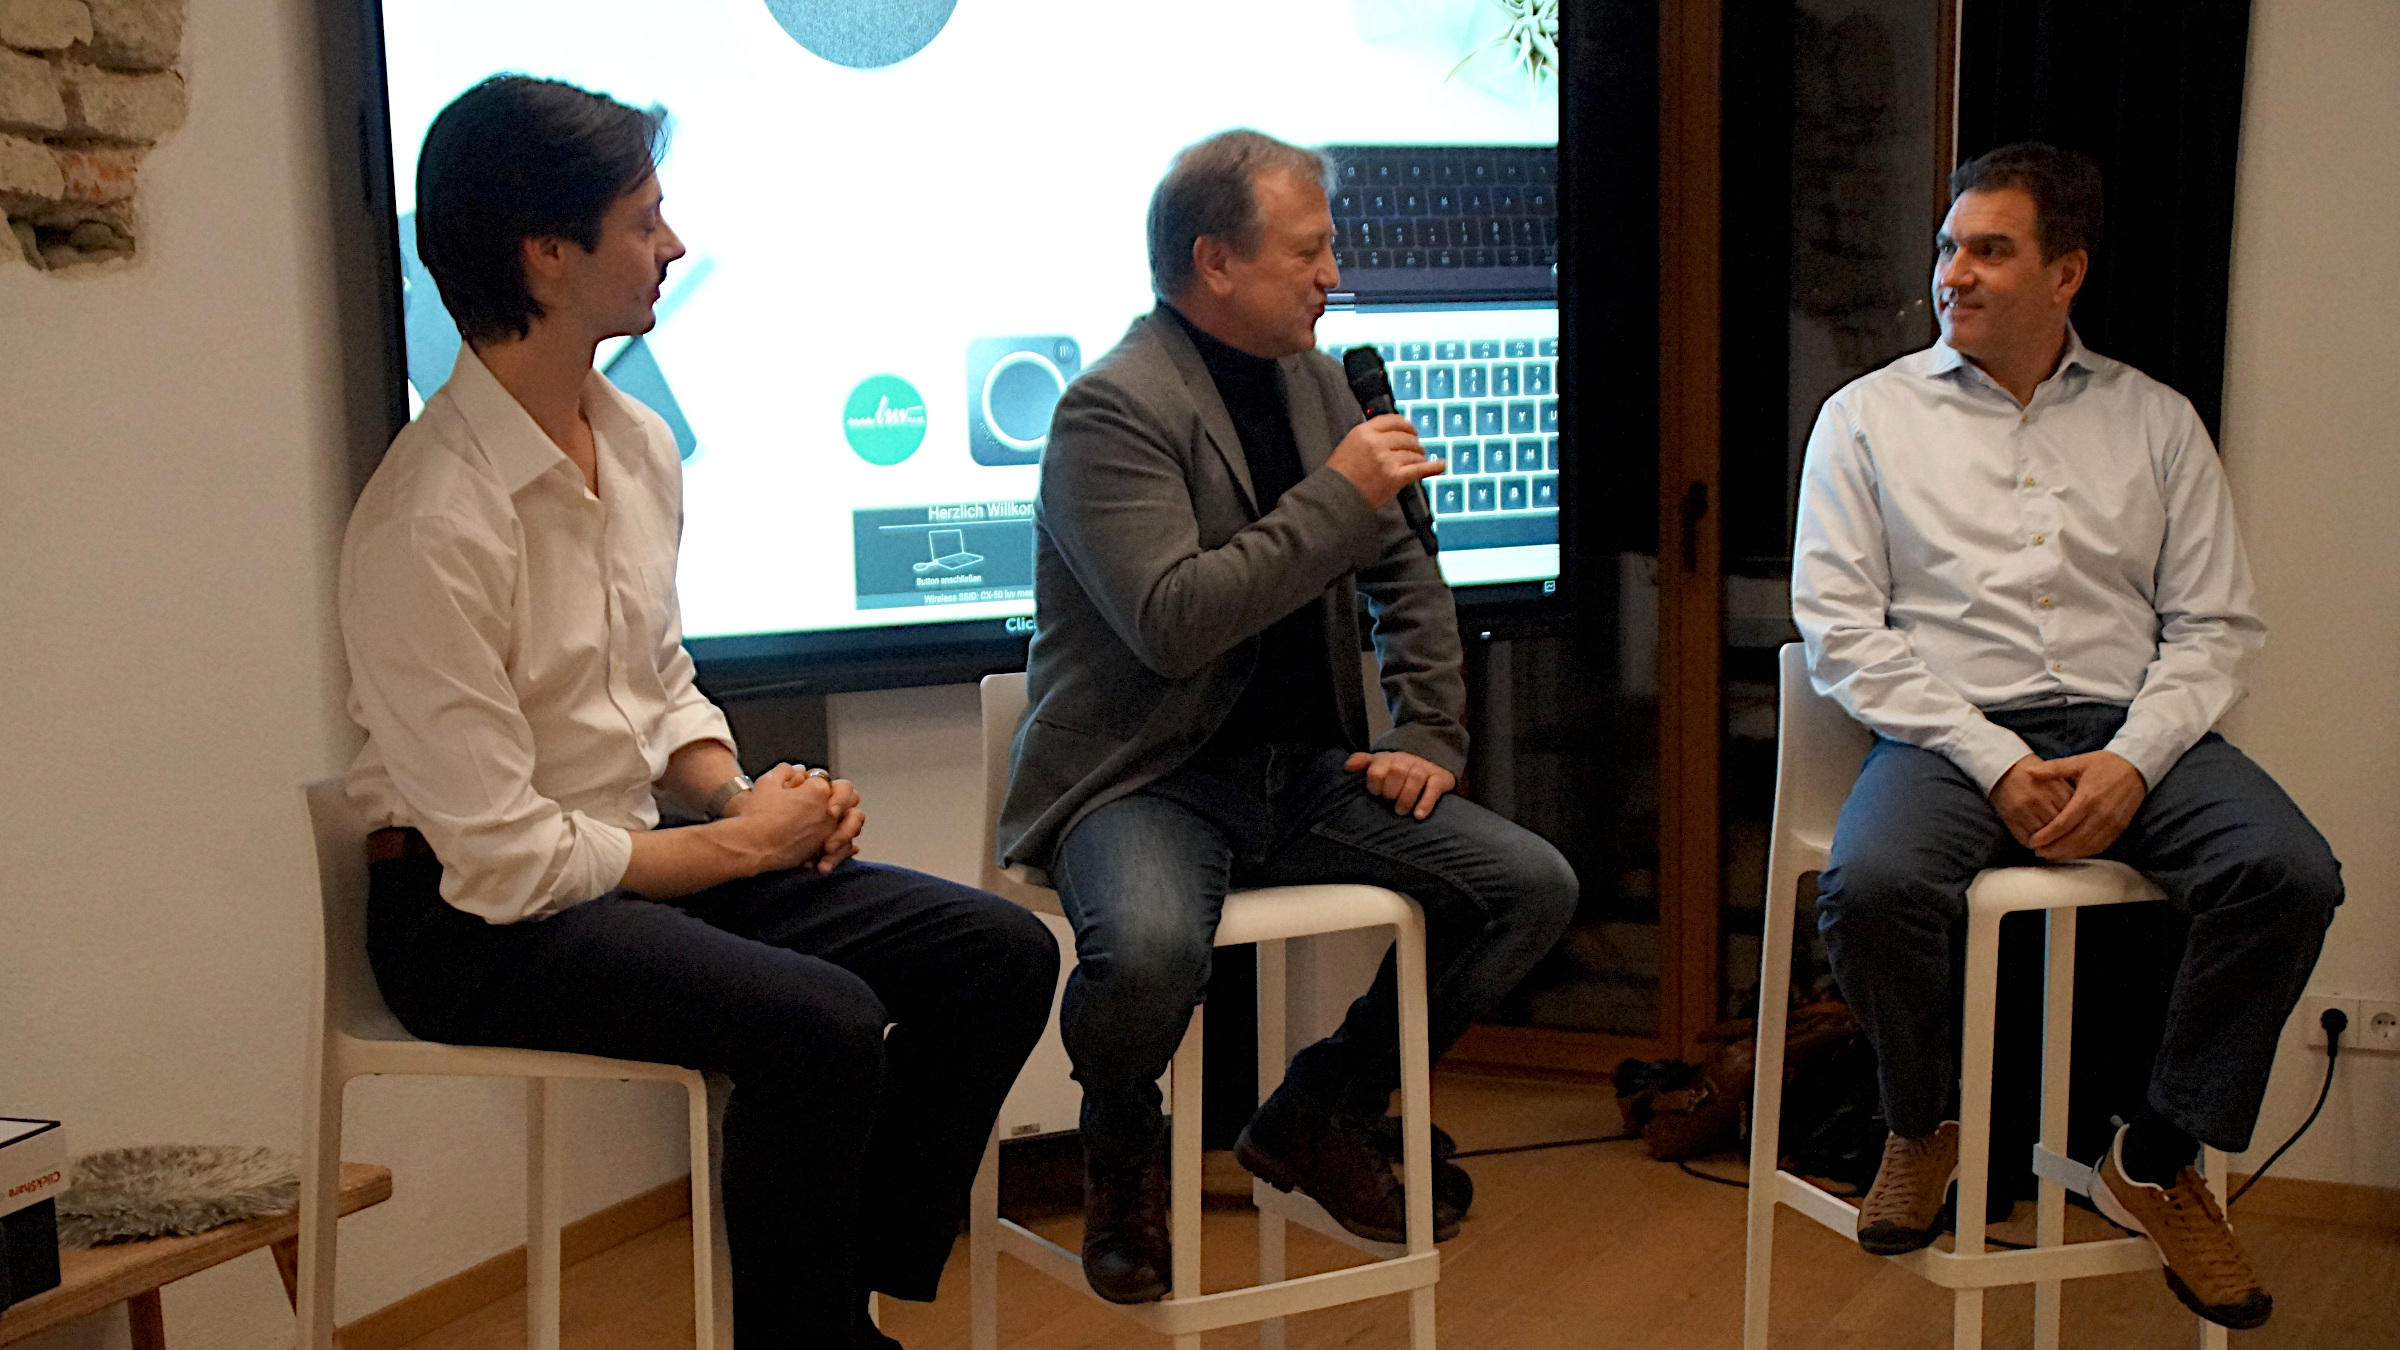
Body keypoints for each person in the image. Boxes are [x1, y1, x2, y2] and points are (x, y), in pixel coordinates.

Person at [339, 76, 1058, 1350]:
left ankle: (849, 1295)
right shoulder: (429, 518)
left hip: (630, 862)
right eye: (645, 219)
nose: (673, 245)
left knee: (996, 954)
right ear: (545, 254)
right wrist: (742, 846)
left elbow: (654, 692)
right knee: (821, 1024)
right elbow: (505, 862)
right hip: (470, 920)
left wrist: (740, 796)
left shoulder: (639, 446)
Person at [996, 128, 1579, 1305]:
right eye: (1308, 252)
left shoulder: (1325, 384)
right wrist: (1336, 497)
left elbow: (1409, 572)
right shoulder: (1110, 412)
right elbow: (1173, 618)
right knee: (1153, 952)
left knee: (1531, 888)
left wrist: (1427, 737)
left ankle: (1321, 1105)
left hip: (1301, 772)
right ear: (1214, 260)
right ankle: (1122, 1151)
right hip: (1141, 775)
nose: (1333, 274)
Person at [1791, 141, 2341, 1330]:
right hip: (1948, 732)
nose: (1956, 274)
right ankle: (1922, 1121)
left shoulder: (2158, 422)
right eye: (1949, 247)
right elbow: (1839, 632)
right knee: (1873, 885)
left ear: (2067, 274)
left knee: (2289, 874)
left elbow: (2215, 625)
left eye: (1992, 250)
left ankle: (2156, 1152)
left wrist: (2137, 756)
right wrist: (1993, 759)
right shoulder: (1866, 419)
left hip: (2135, 725)